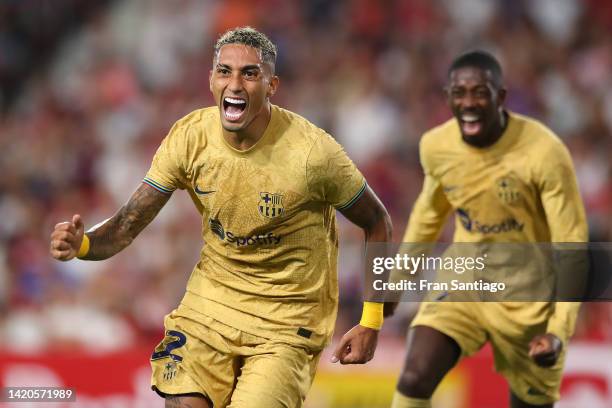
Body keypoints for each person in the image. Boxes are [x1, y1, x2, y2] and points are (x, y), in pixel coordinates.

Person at [50, 27, 392, 408]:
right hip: (210, 308)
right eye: (224, 71)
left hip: (286, 323)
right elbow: (128, 223)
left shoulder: (314, 154)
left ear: (271, 84)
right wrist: (81, 244)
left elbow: (378, 222)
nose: (235, 83)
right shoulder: (190, 138)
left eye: (249, 73)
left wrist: (372, 320)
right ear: (211, 79)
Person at [388, 51, 588, 408]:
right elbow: (427, 218)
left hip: (530, 299)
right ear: (447, 95)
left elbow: (571, 246)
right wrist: (397, 283)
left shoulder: (544, 153)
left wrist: (558, 329)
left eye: (480, 93)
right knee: (414, 376)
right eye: (458, 93)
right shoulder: (437, 146)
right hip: (467, 280)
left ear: (501, 97)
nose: (468, 103)